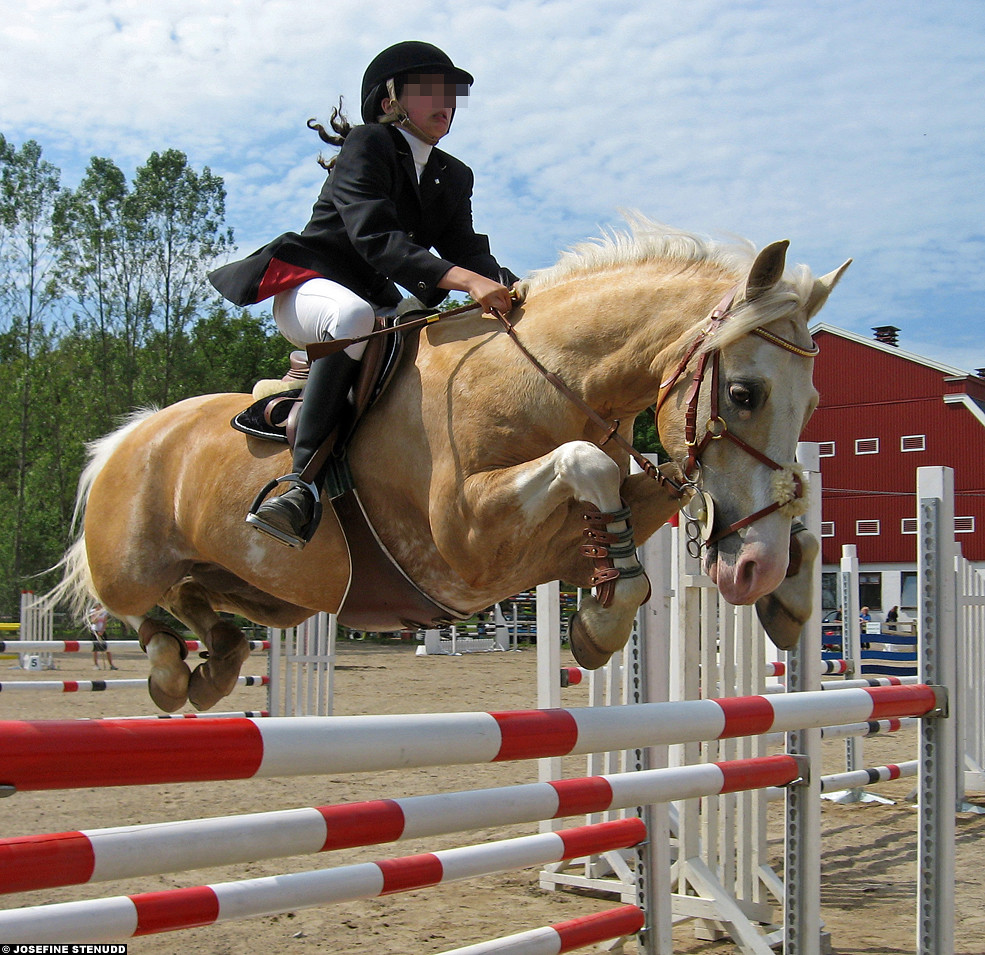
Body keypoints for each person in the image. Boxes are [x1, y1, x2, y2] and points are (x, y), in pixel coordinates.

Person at [209, 41, 519, 549]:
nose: (445, 102)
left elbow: (466, 248)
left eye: (451, 93)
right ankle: (299, 485)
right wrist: (467, 282)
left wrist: (513, 285)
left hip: (378, 302)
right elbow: (375, 237)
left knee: (430, 339)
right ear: (390, 100)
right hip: (311, 289)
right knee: (353, 316)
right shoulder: (368, 143)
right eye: (430, 91)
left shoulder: (454, 174)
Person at [88, 603, 118, 670]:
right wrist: (97, 614)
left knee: (107, 648)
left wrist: (102, 630)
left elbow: (104, 622)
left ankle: (111, 664)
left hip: (102, 631)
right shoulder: (93, 611)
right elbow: (93, 621)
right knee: (95, 649)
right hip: (94, 630)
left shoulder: (104, 612)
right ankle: (96, 665)